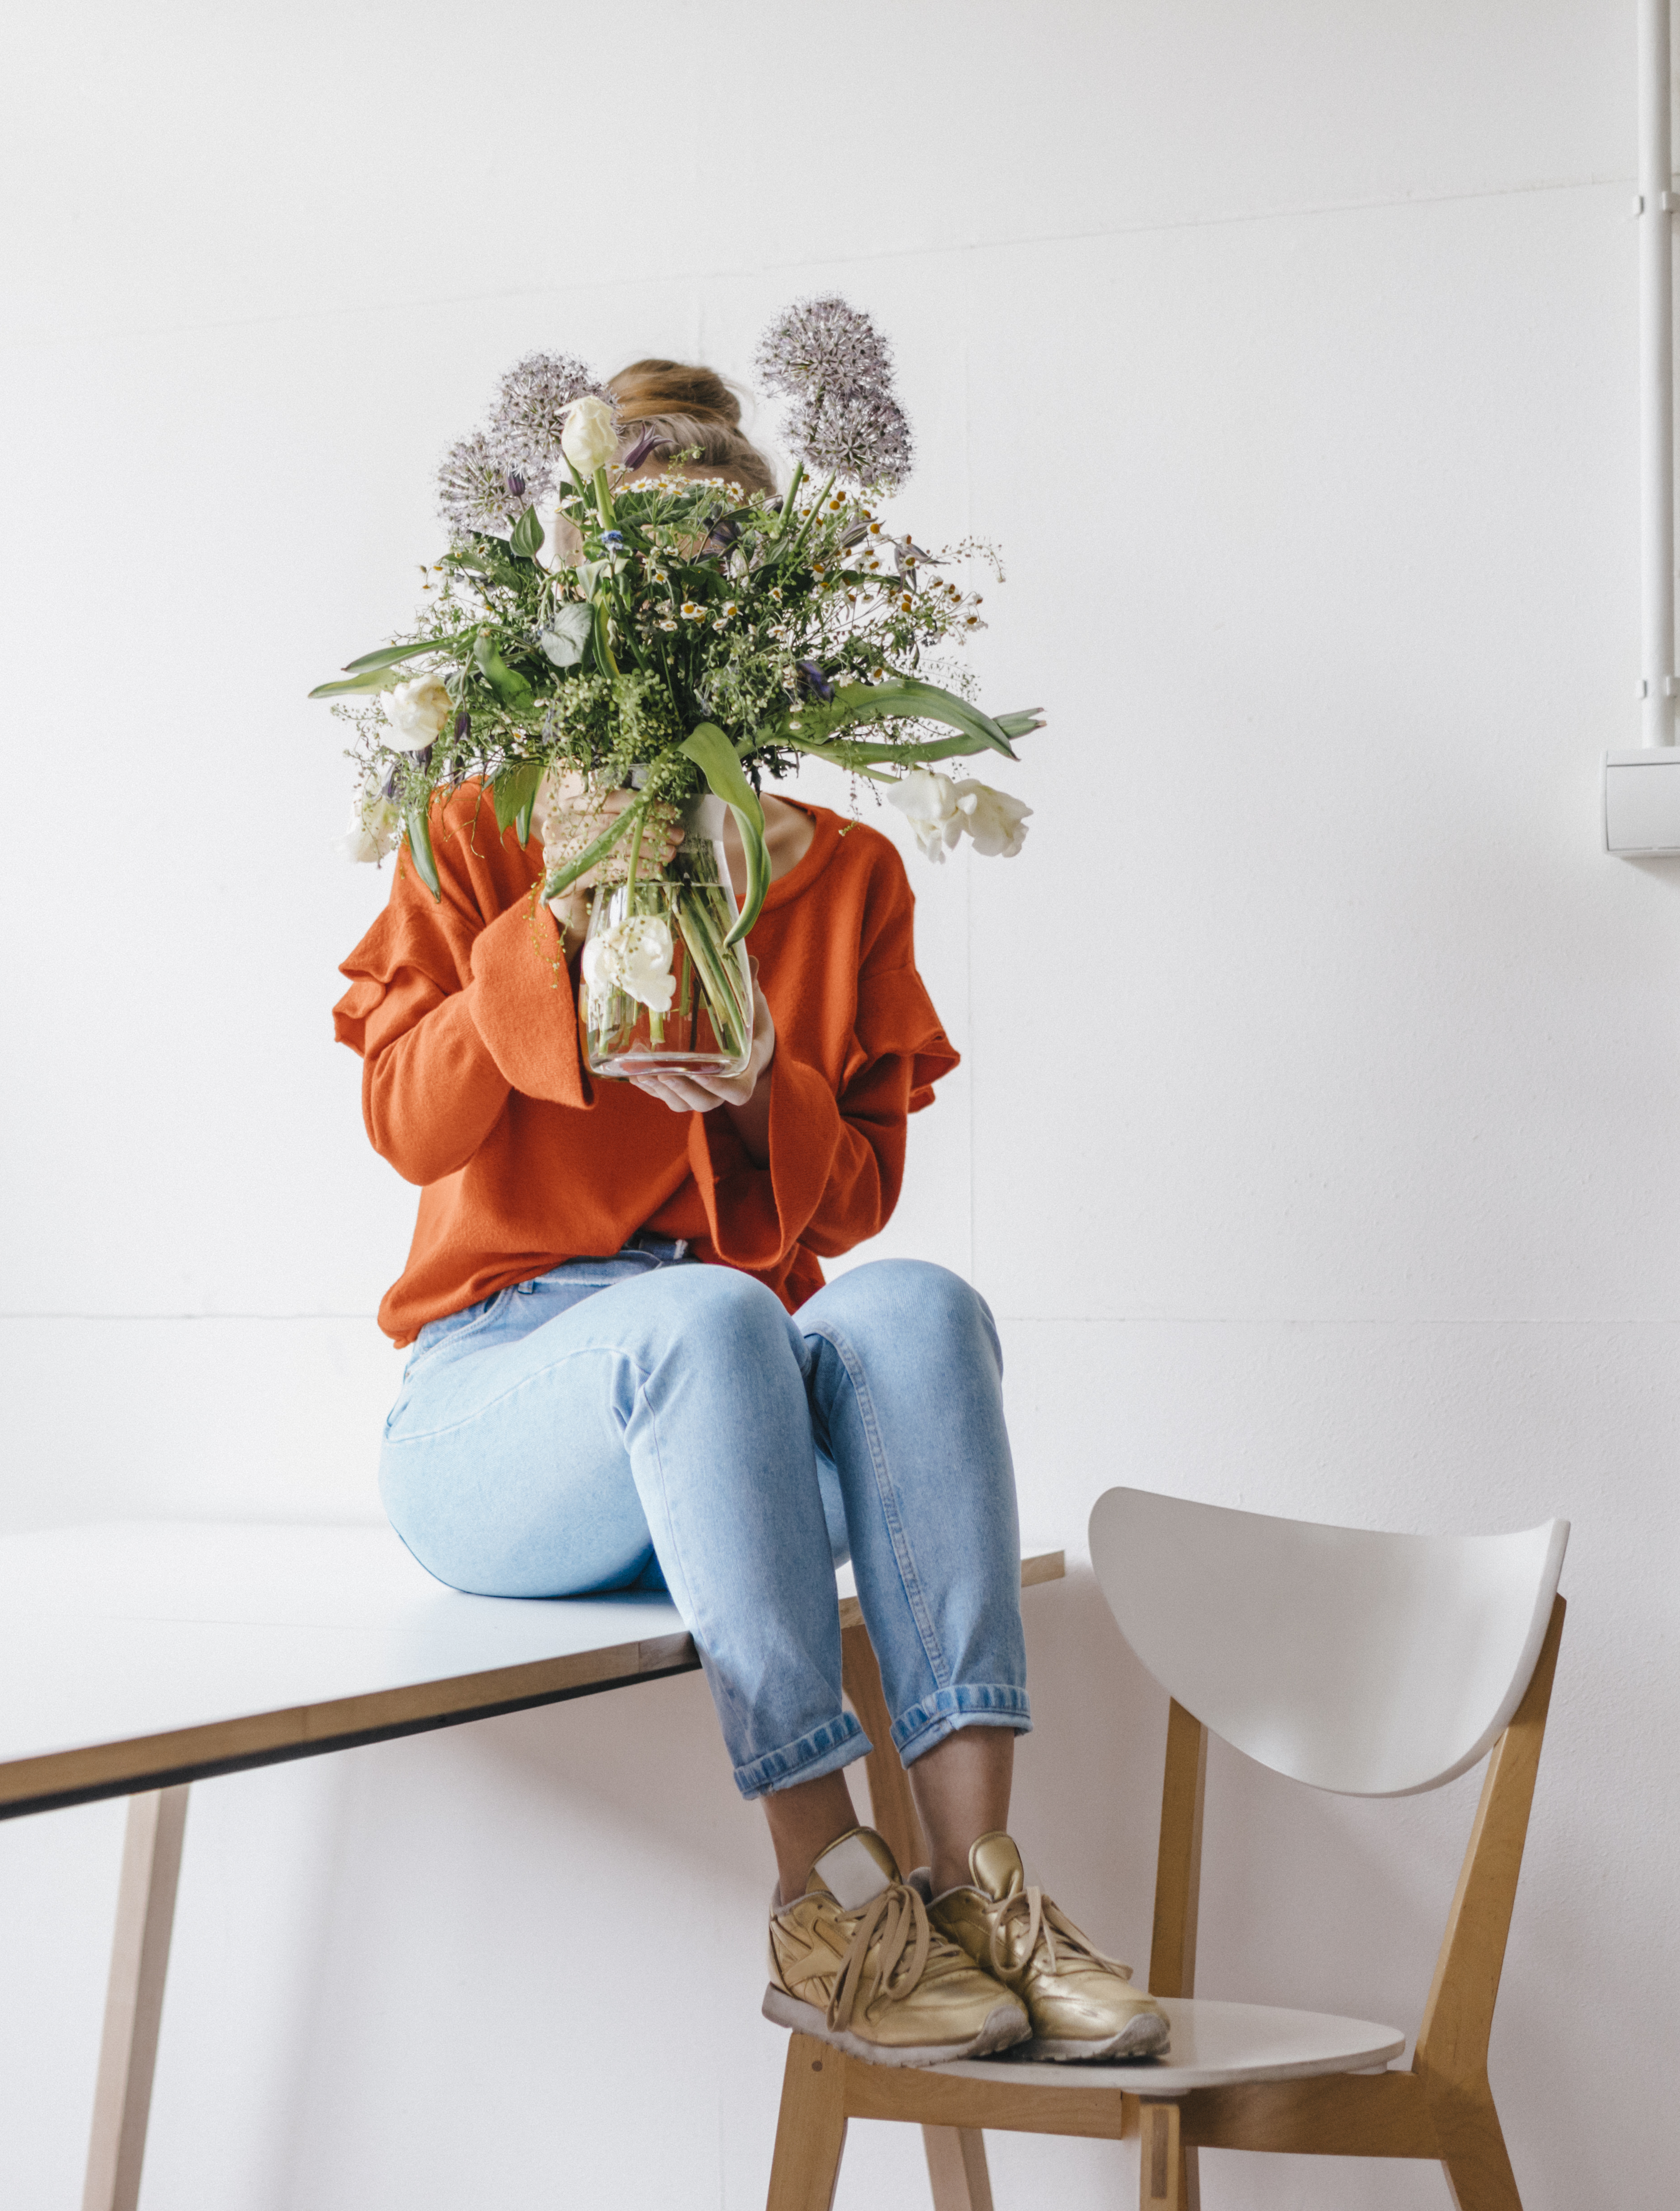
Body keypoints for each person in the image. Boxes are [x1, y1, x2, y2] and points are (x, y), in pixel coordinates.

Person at [331, 360, 1165, 2068]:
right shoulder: (479, 831)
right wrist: (558, 919)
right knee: (711, 1312)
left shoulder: (839, 872)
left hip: (736, 1449)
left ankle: (979, 1884)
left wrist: (775, 1073)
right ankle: (827, 1895)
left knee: (919, 1304)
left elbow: (857, 1197)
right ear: (588, 595)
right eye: (657, 566)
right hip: (504, 1414)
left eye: (722, 567)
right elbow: (405, 1124)